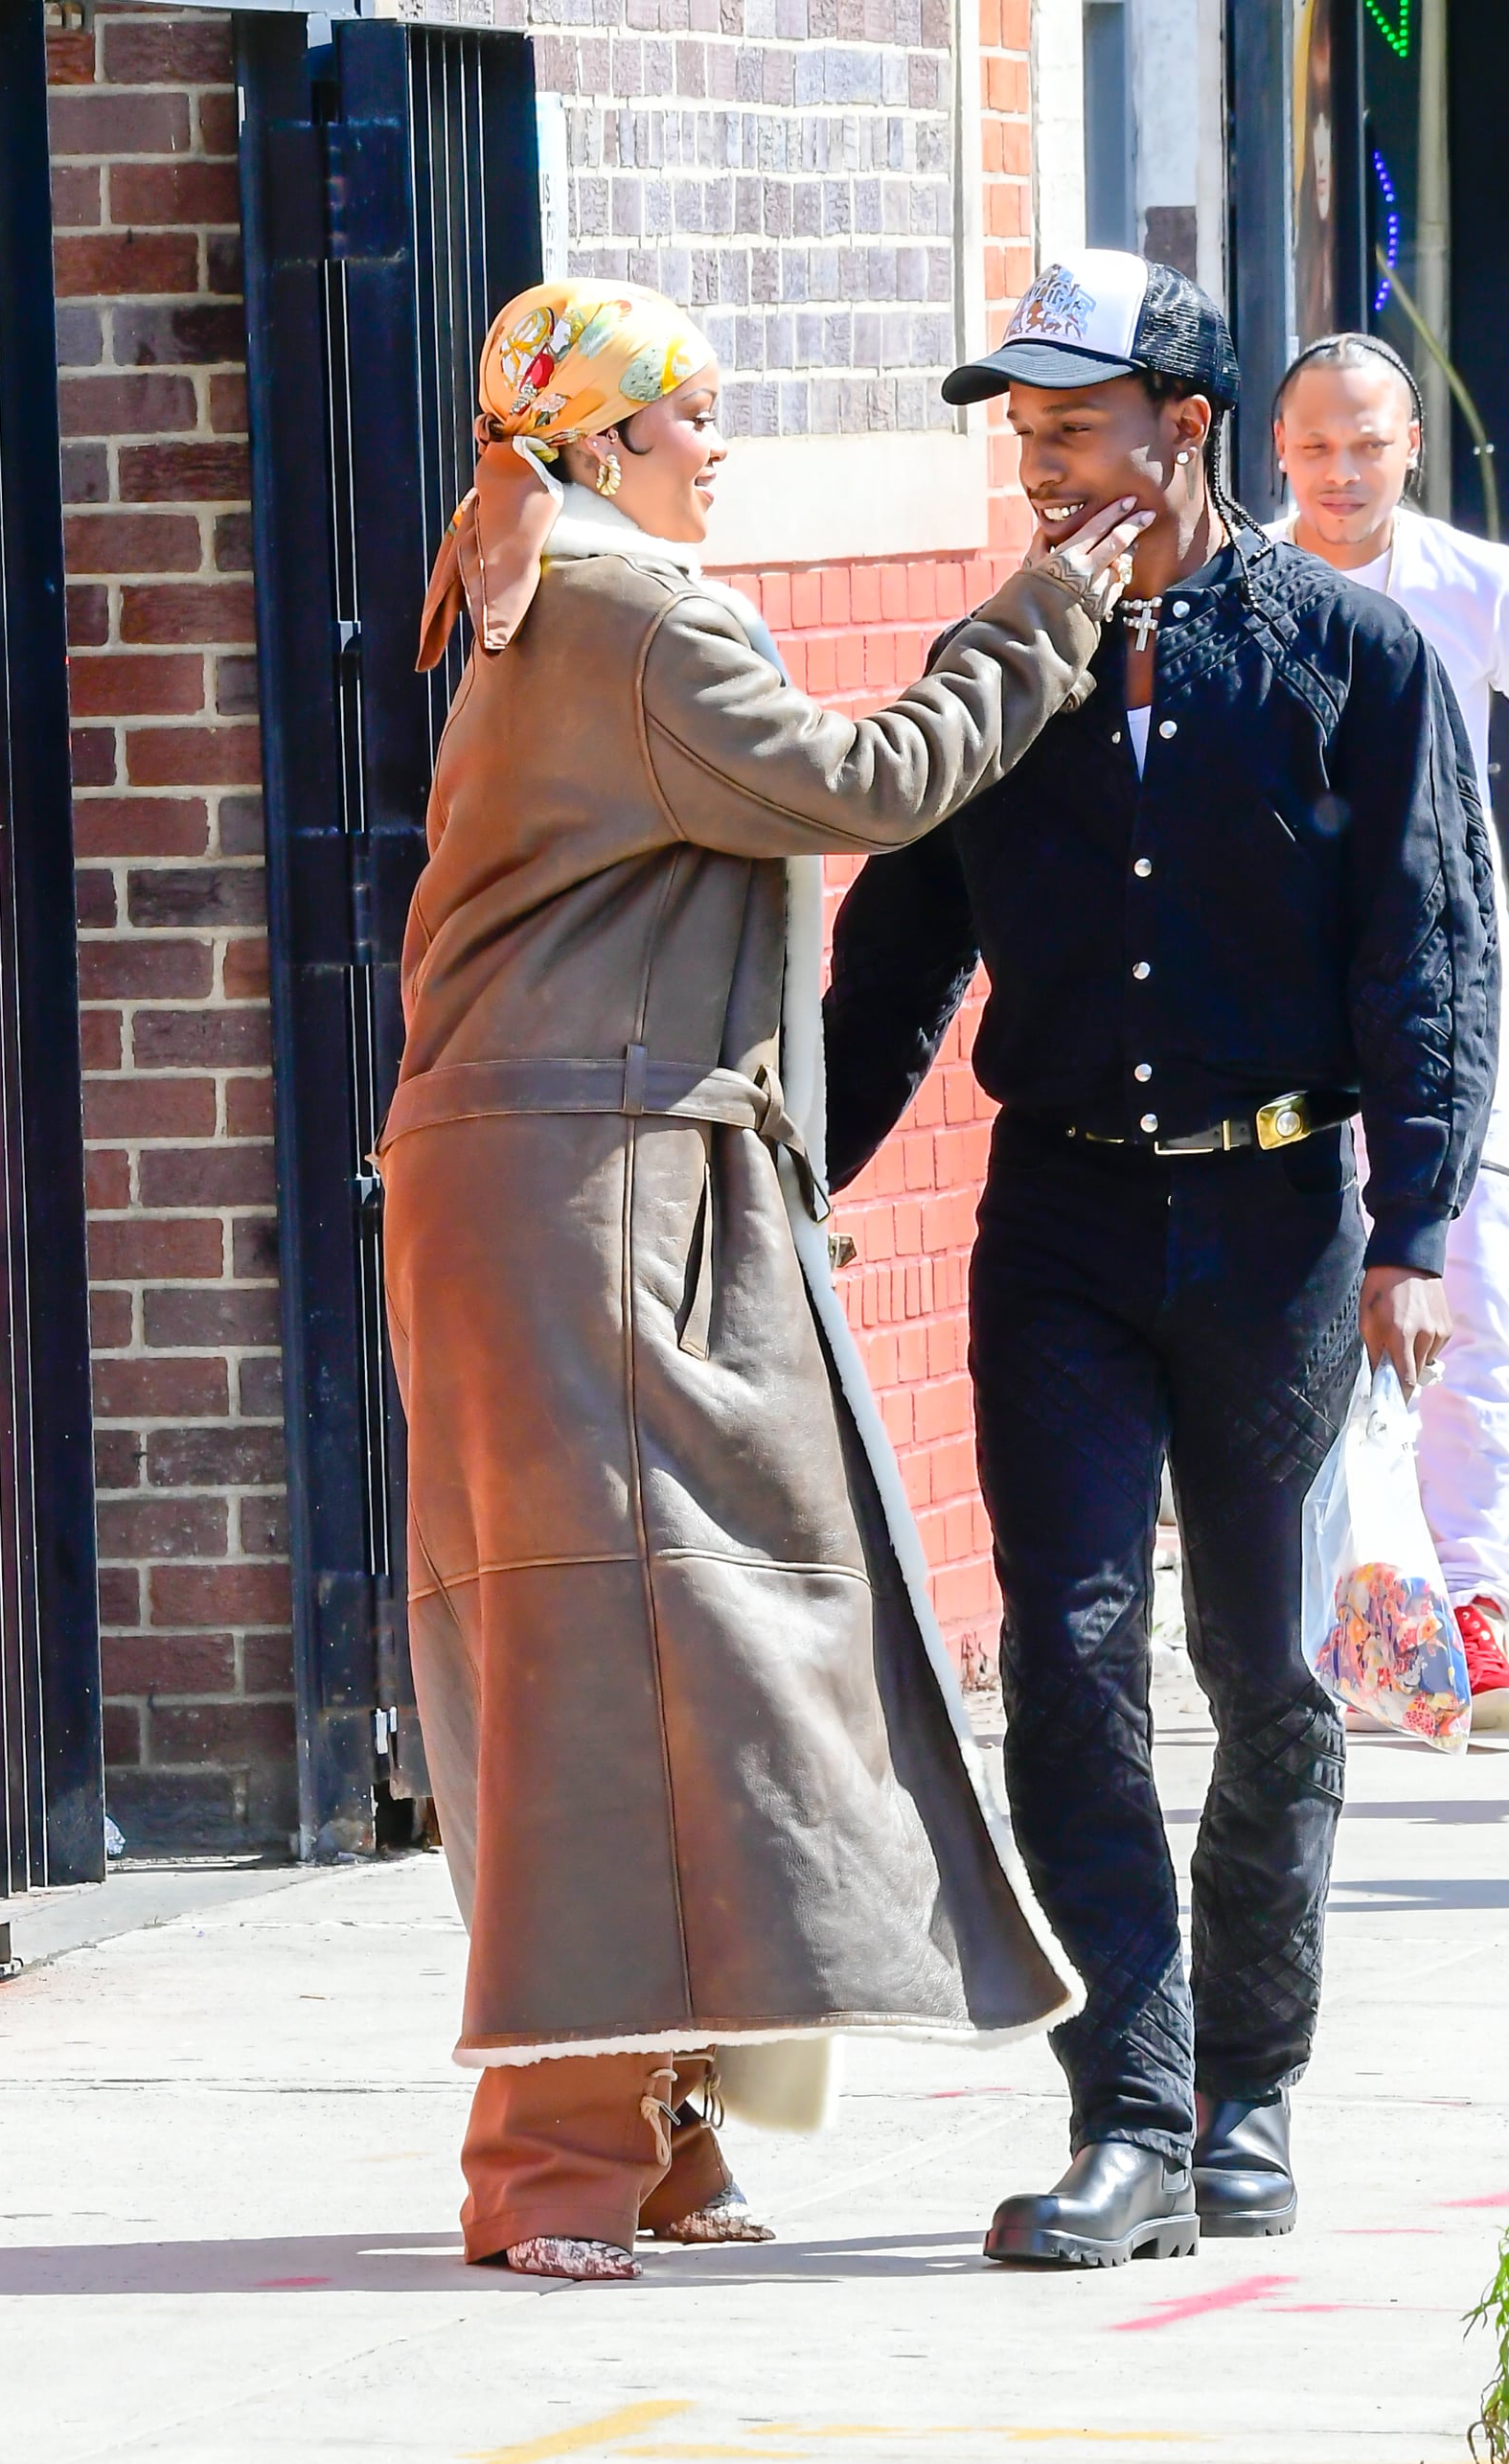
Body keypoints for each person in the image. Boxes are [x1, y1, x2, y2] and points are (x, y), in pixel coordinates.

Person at [383, 277, 1147, 2284]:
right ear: (603, 438)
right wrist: (1040, 609)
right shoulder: (635, 608)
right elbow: (870, 783)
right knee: (611, 1663)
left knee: (700, 1651)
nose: (722, 443)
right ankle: (547, 2160)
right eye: (693, 412)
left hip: (598, 1176)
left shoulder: (544, 580)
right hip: (590, 1188)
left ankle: (651, 2130)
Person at [822, 252, 1497, 2267]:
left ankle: (1247, 2088)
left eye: (1067, 426)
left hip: (1283, 1220)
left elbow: (1424, 942)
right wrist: (791, 1165)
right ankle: (1123, 2104)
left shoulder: (1347, 656)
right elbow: (891, 962)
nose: (1034, 463)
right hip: (1061, 1219)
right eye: (1017, 430)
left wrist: (1419, 1224)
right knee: (1068, 1650)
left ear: (1181, 430)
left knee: (1260, 1669)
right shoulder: (997, 660)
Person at [1272, 333, 1509, 1733]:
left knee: (1473, 1293)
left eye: (1369, 443)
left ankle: (1472, 1605)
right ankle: (1340, 1617)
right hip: (1284, 1002)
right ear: (1277, 453)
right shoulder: (1245, 585)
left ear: (1412, 443)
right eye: (1316, 447)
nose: (1343, 472)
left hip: (1451, 988)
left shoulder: (1476, 583)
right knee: (1305, 1309)